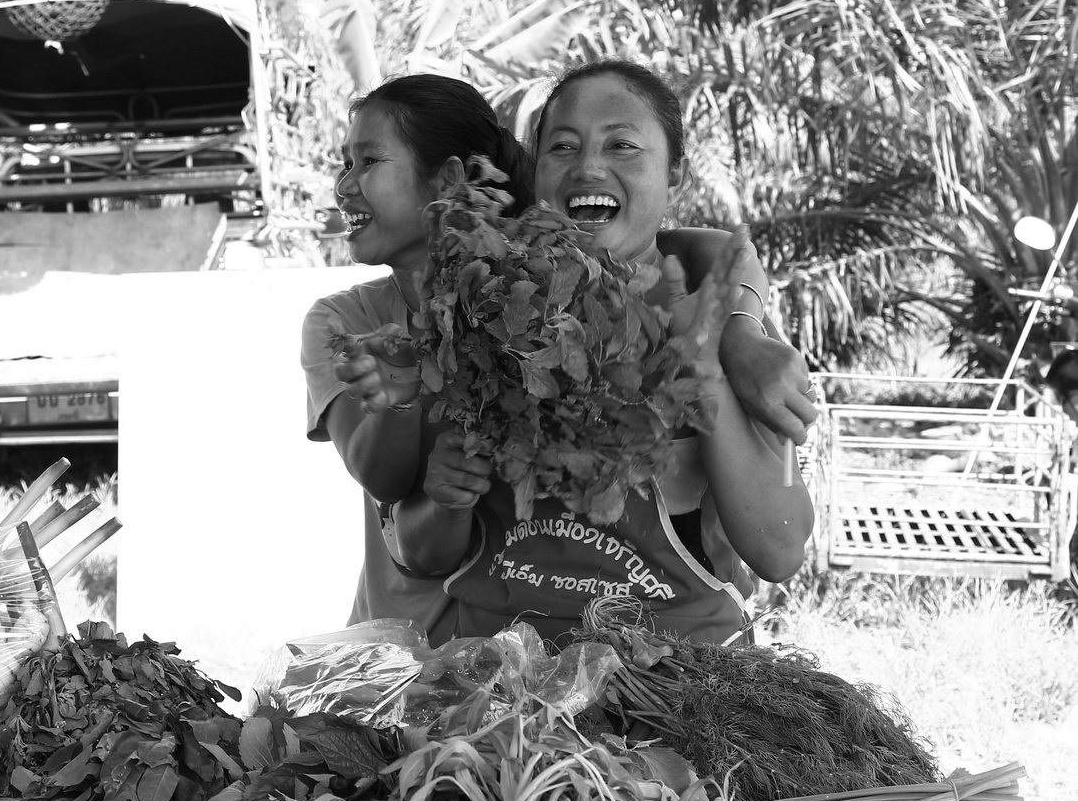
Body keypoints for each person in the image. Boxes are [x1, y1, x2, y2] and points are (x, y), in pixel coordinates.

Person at [301, 72, 816, 645]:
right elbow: (422, 549)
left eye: (622, 145)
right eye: (562, 148)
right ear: (538, 170)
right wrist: (438, 475)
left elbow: (778, 548)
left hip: (678, 683)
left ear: (675, 171)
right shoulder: (487, 306)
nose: (589, 168)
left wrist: (713, 358)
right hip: (503, 685)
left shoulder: (717, 314)